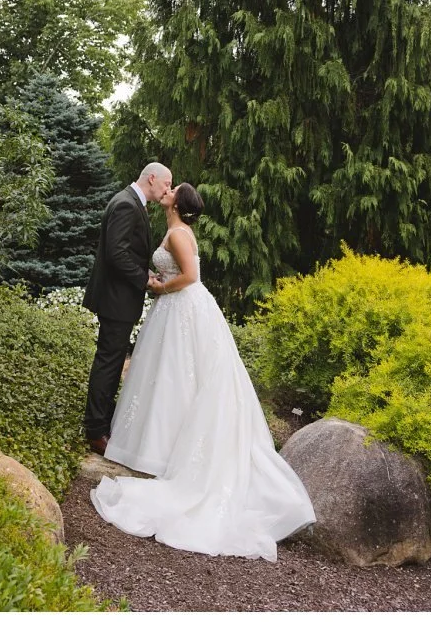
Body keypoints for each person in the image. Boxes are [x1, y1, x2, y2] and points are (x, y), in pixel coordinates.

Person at [91, 183, 315, 561]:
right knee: (171, 377)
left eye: (173, 189)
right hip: (177, 310)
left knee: (180, 376)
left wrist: (158, 288)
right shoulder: (175, 228)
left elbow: (190, 277)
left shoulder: (179, 233)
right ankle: (158, 441)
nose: (168, 189)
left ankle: (165, 449)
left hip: (183, 306)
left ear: (177, 202)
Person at [82, 162, 172, 455]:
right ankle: (96, 431)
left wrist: (144, 272)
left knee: (112, 360)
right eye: (166, 185)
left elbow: (128, 251)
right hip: (116, 299)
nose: (167, 191)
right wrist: (143, 280)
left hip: (118, 298)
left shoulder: (133, 202)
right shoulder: (125, 204)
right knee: (108, 362)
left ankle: (103, 422)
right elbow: (116, 253)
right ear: (152, 177)